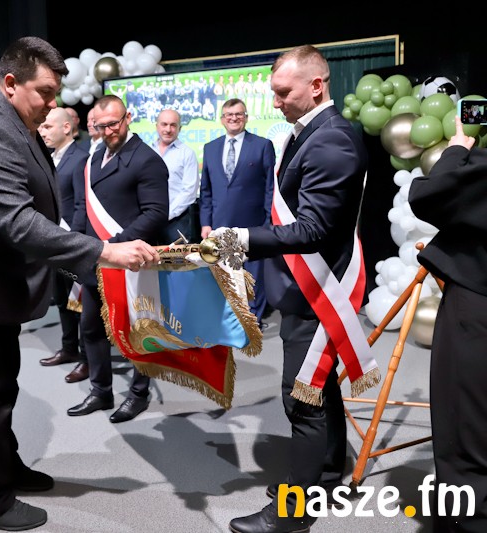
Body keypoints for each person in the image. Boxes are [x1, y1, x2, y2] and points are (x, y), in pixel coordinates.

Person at [0, 37, 159, 532]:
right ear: (10, 83)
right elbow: (18, 223)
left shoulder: (7, 115)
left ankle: (6, 469)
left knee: (2, 381)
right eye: (45, 93)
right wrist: (105, 251)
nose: (53, 105)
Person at [218, 45, 372, 533]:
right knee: (320, 386)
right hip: (306, 287)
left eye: (284, 93)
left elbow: (312, 230)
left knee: (301, 399)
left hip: (317, 289)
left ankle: (294, 511)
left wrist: (239, 240)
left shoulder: (330, 141)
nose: (276, 102)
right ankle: (324, 472)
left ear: (317, 86)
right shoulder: (314, 133)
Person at [68, 94, 169, 424]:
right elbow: (83, 208)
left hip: (130, 260)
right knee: (92, 328)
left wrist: (113, 245)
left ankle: (138, 394)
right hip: (96, 259)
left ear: (128, 118)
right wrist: (79, 246)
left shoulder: (147, 159)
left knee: (137, 330)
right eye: (100, 126)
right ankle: (101, 391)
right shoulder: (94, 157)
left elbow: (156, 213)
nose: (108, 131)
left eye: (113, 123)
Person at [408, 116, 487, 532]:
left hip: (477, 306)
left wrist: (457, 148)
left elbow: (428, 195)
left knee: (466, 429)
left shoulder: (479, 166)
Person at [199, 98, 275, 327]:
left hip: (254, 224)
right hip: (219, 225)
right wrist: (205, 223)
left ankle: (252, 322)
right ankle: (231, 320)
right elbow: (206, 190)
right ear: (222, 119)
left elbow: (270, 188)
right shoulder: (210, 148)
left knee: (253, 276)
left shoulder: (262, 145)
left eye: (239, 114)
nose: (234, 118)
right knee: (225, 274)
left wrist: (269, 221)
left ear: (246, 117)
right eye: (229, 115)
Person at [37, 107, 90, 383]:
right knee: (61, 299)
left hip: (72, 242)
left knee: (79, 303)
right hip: (53, 242)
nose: (42, 131)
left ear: (66, 128)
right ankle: (69, 348)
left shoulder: (80, 158)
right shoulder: (50, 157)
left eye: (47, 127)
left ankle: (87, 358)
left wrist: (74, 242)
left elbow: (82, 204)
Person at [150, 108, 200, 243]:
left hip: (176, 221)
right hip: (148, 221)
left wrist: (167, 214)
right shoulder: (147, 151)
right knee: (148, 256)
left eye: (173, 125)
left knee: (178, 257)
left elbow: (189, 191)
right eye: (164, 124)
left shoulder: (187, 153)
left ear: (180, 128)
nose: (168, 129)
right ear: (157, 126)